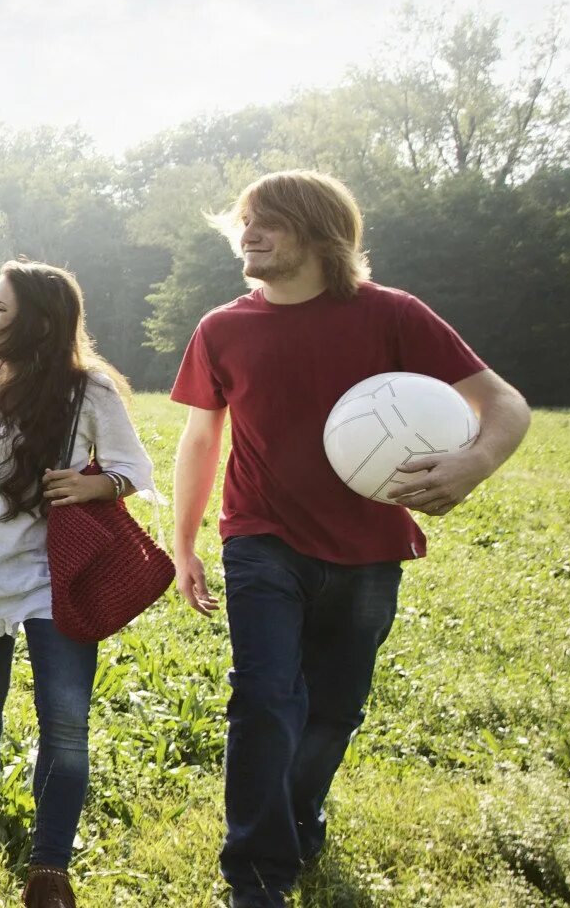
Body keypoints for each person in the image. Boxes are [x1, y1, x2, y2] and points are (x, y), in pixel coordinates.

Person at [167, 170, 530, 908]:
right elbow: (201, 440)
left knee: (335, 709)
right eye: (245, 220)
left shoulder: (391, 314)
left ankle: (298, 814)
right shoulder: (223, 328)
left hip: (370, 548)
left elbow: (504, 402)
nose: (250, 233)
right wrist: (185, 544)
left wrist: (474, 462)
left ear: (319, 234)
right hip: (261, 538)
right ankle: (257, 875)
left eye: (269, 221)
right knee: (265, 698)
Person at [0, 260, 156, 908]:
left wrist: (96, 482)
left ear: (39, 323)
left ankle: (50, 869)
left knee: (65, 723)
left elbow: (136, 467)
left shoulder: (89, 390)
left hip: (57, 572)